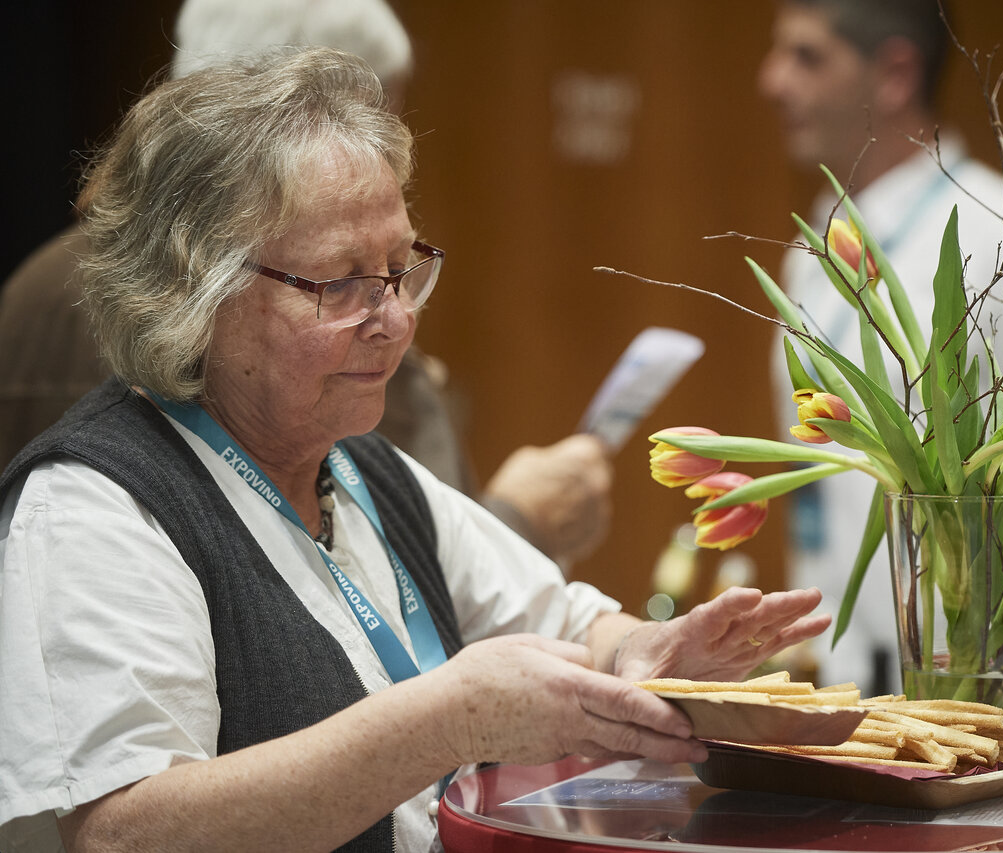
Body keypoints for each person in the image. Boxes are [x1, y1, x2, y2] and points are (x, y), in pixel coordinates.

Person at [0, 48, 831, 852]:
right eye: (341, 283)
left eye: (401, 268)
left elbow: (571, 622)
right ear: (193, 289)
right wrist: (445, 722)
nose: (395, 319)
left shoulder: (362, 468)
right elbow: (123, 832)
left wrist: (643, 652)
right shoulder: (93, 508)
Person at [0, 0, 610, 567]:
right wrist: (516, 524)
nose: (395, 318)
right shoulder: (101, 490)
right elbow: (334, 589)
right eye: (370, 119)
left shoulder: (37, 281)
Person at [757, 0, 1003, 735]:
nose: (771, 81)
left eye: (807, 56)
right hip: (864, 693)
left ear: (895, 72)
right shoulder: (817, 249)